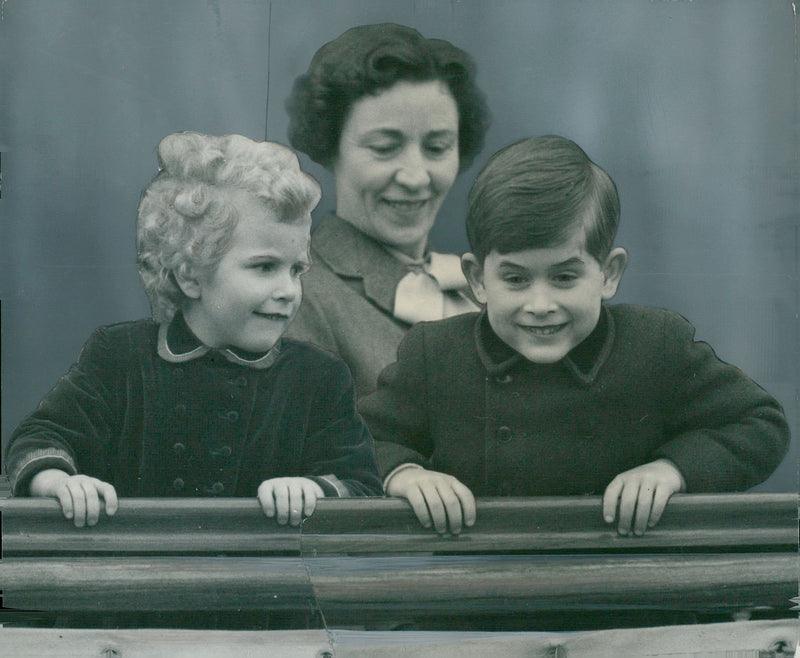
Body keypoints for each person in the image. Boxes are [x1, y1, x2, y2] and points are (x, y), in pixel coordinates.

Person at [360, 135, 790, 537]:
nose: (540, 303)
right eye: (515, 279)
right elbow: (360, 439)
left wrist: (671, 470)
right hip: (480, 593)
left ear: (608, 274)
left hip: (635, 591)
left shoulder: (656, 344)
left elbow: (759, 425)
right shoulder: (435, 354)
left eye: (565, 277)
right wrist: (407, 475)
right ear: (477, 279)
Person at [5, 132, 383, 528]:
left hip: (265, 581)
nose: (288, 291)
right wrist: (59, 482)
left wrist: (314, 490)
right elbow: (41, 437)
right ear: (190, 276)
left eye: (296, 270)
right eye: (264, 267)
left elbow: (360, 483)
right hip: (133, 574)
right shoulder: (119, 357)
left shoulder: (319, 378)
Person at [284, 23, 491, 396]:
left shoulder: (479, 286)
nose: (415, 177)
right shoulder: (297, 297)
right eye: (384, 147)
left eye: (438, 147)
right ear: (331, 148)